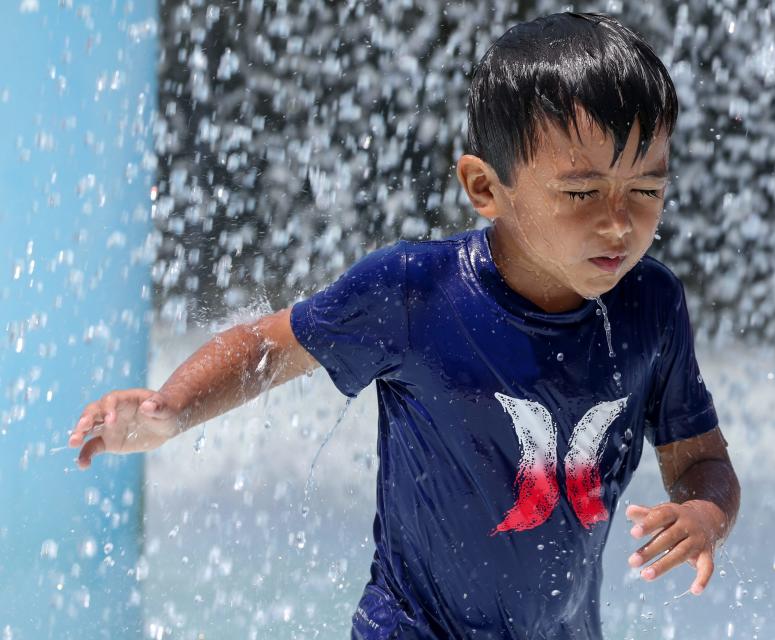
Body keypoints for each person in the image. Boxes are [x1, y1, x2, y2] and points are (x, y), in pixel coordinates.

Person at [68, 11, 740, 639]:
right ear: (485, 189)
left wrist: (705, 513)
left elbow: (702, 459)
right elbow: (269, 346)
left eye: (647, 190)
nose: (619, 221)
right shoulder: (417, 292)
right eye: (582, 192)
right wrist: (171, 408)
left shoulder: (650, 306)